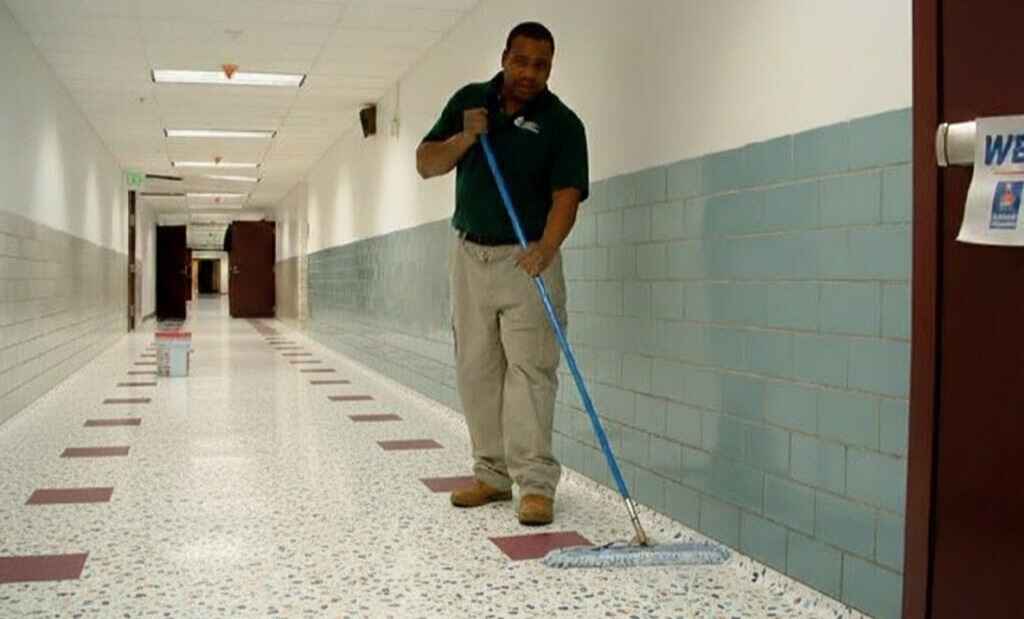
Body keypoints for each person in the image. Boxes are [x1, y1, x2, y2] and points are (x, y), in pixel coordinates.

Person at [416, 21, 589, 526]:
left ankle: (534, 485)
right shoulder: (470, 102)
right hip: (470, 255)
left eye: (541, 65)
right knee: (476, 369)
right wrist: (466, 137)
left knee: (531, 371)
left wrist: (547, 247)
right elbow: (427, 163)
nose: (530, 73)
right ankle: (491, 475)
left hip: (527, 259)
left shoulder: (563, 124)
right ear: (504, 57)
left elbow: (567, 196)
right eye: (521, 61)